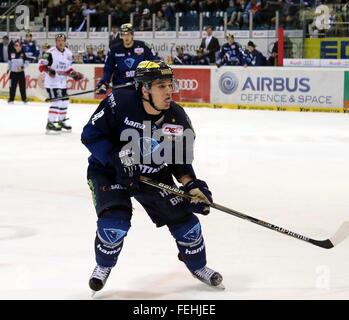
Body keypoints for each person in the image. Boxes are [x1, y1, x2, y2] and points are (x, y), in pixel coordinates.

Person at [81, 60, 223, 293]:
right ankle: (103, 265)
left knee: (187, 225)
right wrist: (117, 159)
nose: (169, 91)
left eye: (170, 84)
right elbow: (90, 135)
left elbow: (180, 162)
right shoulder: (120, 102)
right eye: (161, 86)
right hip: (109, 171)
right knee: (113, 224)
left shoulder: (176, 118)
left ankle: (198, 266)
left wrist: (191, 185)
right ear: (144, 89)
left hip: (151, 174)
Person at [38, 33, 84, 133]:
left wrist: (73, 74)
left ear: (65, 41)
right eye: (58, 40)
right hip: (52, 83)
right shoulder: (49, 53)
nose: (60, 42)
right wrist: (49, 70)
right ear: (56, 42)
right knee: (57, 101)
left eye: (62, 40)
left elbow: (68, 68)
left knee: (64, 102)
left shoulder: (68, 53)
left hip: (62, 83)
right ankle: (50, 123)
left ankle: (61, 121)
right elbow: (41, 66)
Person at [96, 23, 157, 94]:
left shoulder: (143, 46)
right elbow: (108, 68)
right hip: (120, 88)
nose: (126, 37)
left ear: (132, 35)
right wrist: (103, 82)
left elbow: (154, 63)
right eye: (123, 34)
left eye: (128, 34)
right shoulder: (114, 49)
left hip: (139, 88)